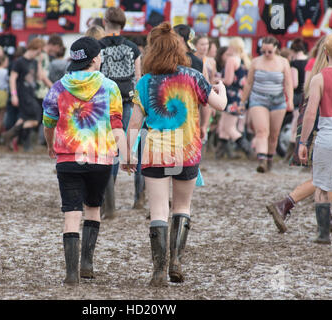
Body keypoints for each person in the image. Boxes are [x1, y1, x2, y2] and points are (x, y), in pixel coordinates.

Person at [125, 22, 227, 287]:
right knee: (182, 207)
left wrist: (127, 155)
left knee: (158, 210)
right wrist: (222, 89)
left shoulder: (146, 82)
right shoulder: (193, 76)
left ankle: (158, 270)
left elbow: (134, 123)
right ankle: (176, 262)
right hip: (186, 150)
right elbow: (220, 105)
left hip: (155, 151)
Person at [42, 37, 129, 285]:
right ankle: (87, 264)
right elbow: (116, 126)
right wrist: (126, 156)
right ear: (93, 60)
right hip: (100, 159)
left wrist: (50, 146)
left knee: (71, 212)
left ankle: (71, 274)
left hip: (67, 158)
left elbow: (48, 122)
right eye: (100, 55)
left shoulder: (58, 87)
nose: (101, 59)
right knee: (93, 207)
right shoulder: (110, 87)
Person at [266, 38, 332, 234]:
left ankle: (326, 217)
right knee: (325, 178)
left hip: (314, 130)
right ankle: (284, 204)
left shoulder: (315, 73)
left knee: (325, 178)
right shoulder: (329, 76)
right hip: (322, 131)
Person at [298, 33, 332, 244]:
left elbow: (310, 113)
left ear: (325, 52)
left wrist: (303, 142)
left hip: (328, 136)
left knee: (323, 186)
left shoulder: (318, 78)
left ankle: (323, 235)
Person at [99, 7, 142, 218]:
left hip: (105, 102)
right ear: (123, 24)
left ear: (104, 21)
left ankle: (108, 202)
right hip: (127, 100)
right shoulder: (133, 48)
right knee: (123, 146)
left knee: (106, 149)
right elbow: (139, 76)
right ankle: (133, 198)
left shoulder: (98, 46)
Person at [241, 36, 294, 173]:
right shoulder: (256, 62)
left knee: (274, 134)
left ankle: (270, 159)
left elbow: (288, 83)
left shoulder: (283, 62)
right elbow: (248, 83)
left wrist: (290, 101)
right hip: (258, 99)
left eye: (269, 51)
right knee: (261, 131)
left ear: (276, 49)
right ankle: (262, 160)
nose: (266, 54)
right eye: (263, 51)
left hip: (278, 101)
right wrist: (242, 101)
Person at [3, 38, 46, 152]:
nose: (40, 53)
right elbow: (12, 78)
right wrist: (14, 95)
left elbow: (40, 78)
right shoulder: (19, 62)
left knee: (24, 118)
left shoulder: (34, 62)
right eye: (40, 51)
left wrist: (40, 63)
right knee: (36, 118)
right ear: (36, 48)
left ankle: (10, 137)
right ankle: (24, 143)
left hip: (31, 93)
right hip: (22, 93)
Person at [216, 37, 253, 160]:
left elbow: (228, 80)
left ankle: (248, 150)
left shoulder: (231, 60)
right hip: (240, 96)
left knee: (229, 127)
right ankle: (221, 152)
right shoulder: (244, 60)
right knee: (224, 124)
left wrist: (215, 80)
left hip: (231, 96)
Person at [284, 37, 309, 161]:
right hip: (306, 94)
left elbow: (294, 83)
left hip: (297, 95)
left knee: (295, 124)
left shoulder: (294, 63)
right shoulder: (309, 61)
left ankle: (290, 154)